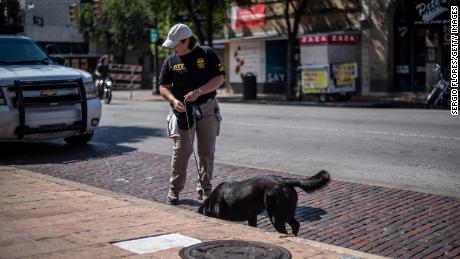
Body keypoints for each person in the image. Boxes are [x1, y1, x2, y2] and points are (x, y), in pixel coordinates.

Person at [159, 23, 225, 205]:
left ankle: (205, 189)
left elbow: (219, 78)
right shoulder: (171, 61)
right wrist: (173, 100)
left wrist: (200, 91)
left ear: (187, 40)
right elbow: (163, 87)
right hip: (183, 112)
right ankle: (174, 190)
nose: (172, 47)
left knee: (206, 152)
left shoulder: (207, 54)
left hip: (208, 108)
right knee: (182, 151)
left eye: (175, 44)